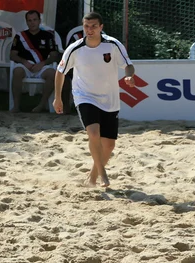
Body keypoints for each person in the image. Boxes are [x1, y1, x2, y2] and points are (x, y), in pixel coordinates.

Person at [53, 12, 135, 187]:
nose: (89, 30)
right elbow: (60, 72)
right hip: (84, 96)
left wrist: (129, 76)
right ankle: (103, 174)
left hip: (109, 99)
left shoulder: (113, 45)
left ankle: (92, 177)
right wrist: (57, 98)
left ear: (101, 27)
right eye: (86, 26)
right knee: (93, 133)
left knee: (109, 145)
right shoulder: (75, 48)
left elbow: (128, 64)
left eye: (93, 26)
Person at [10, 10, 61, 113]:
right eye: (29, 20)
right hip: (25, 66)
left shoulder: (48, 36)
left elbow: (54, 56)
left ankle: (42, 105)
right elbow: (12, 55)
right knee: (17, 71)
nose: (32, 23)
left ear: (39, 21)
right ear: (26, 22)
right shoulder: (20, 36)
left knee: (53, 74)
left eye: (34, 20)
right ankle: (16, 106)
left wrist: (42, 64)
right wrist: (24, 62)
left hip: (42, 66)